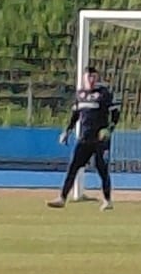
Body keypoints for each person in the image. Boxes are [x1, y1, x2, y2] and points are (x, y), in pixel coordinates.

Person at [47, 65, 120, 210]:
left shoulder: (104, 94)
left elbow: (115, 114)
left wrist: (109, 129)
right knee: (73, 167)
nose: (91, 80)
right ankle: (62, 198)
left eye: (94, 77)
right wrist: (67, 132)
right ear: (84, 78)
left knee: (102, 169)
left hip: (100, 140)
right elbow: (75, 116)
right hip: (84, 139)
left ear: (97, 78)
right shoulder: (80, 95)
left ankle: (107, 200)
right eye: (89, 77)